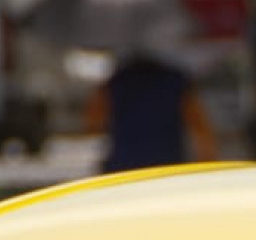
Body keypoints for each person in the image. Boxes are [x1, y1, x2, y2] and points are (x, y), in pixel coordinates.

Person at [83, 50, 218, 173]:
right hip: (167, 164)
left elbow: (93, 122)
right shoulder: (176, 82)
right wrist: (206, 164)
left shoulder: (115, 83)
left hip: (123, 166)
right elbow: (199, 126)